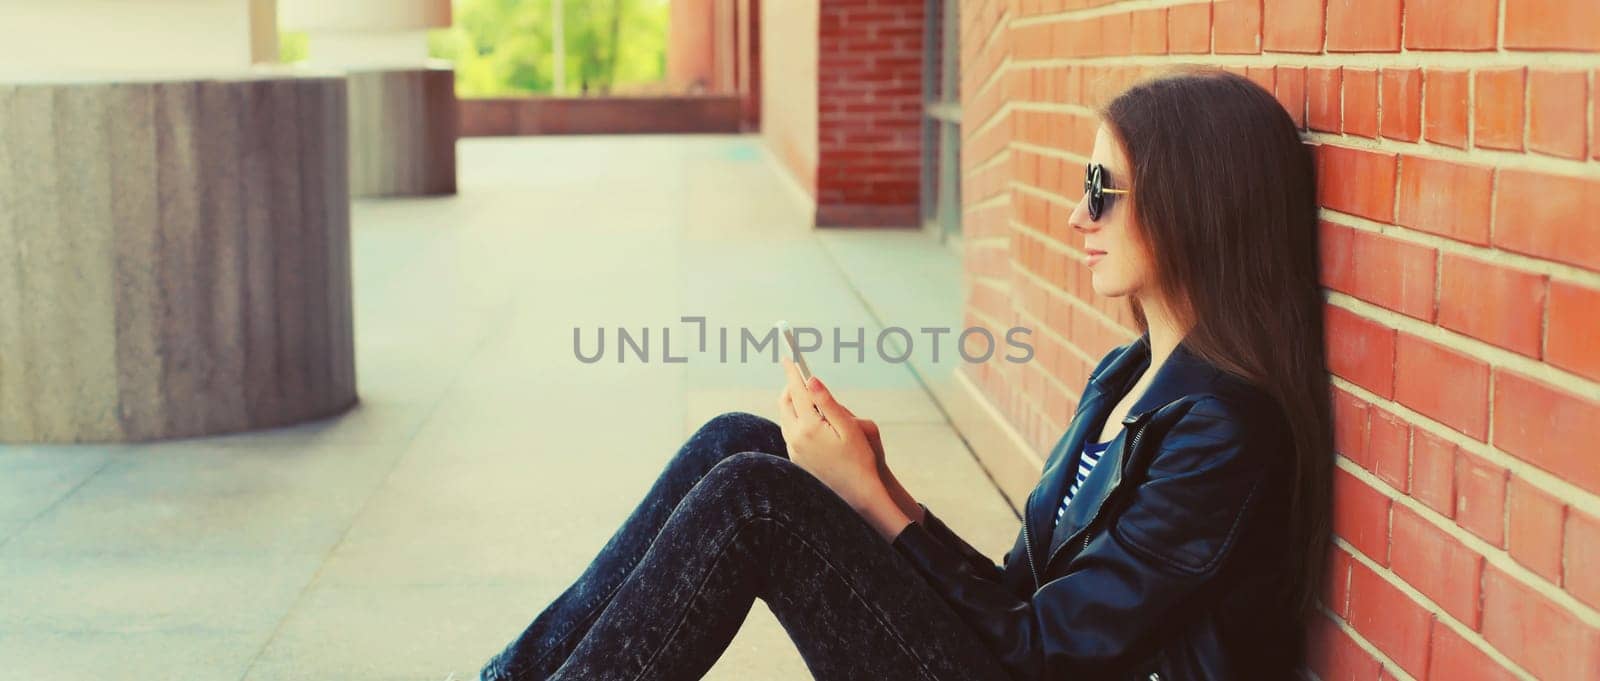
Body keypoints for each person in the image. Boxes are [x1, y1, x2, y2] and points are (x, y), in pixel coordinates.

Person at [476, 68, 1333, 681]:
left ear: (1195, 206)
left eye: (1103, 189)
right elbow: (1016, 592)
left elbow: (1043, 648)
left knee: (756, 499)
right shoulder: (1126, 375)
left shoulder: (1227, 429)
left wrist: (875, 505)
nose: (1078, 213)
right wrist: (879, 485)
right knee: (742, 443)